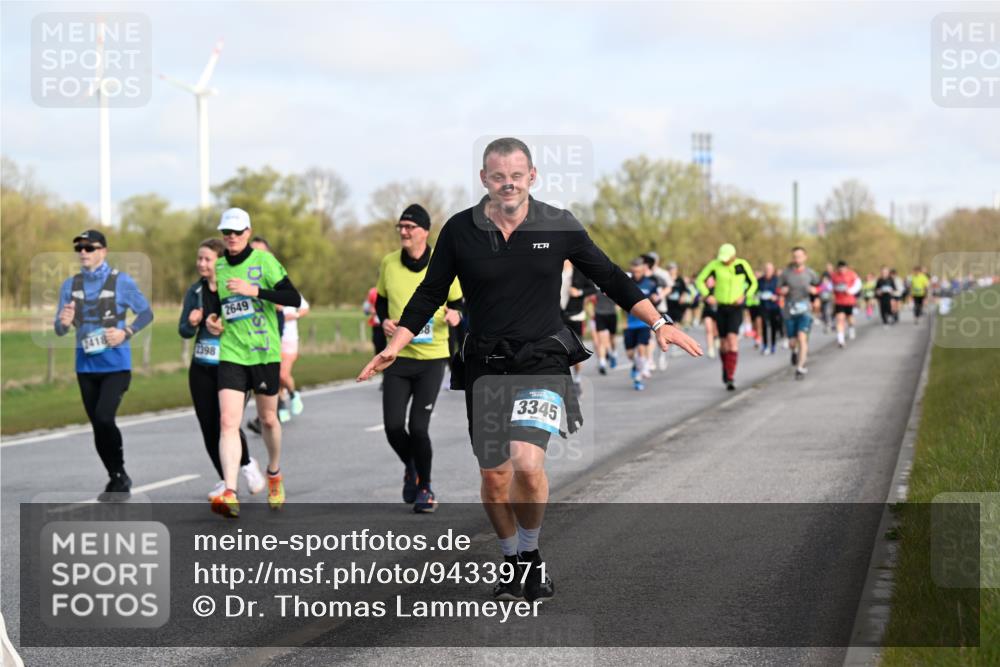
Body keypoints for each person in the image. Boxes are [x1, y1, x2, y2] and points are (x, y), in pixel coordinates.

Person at [357, 138, 702, 603]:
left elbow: (610, 276)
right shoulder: (460, 230)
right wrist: (395, 346)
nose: (508, 184)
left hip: (543, 359)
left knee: (527, 461)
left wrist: (659, 323)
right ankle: (511, 560)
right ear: (484, 178)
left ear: (532, 177)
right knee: (495, 476)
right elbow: (430, 293)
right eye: (499, 176)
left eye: (517, 176)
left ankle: (532, 553)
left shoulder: (558, 224)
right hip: (486, 364)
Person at [206, 208, 301, 517]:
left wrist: (254, 290)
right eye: (227, 232)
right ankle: (230, 491)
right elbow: (217, 304)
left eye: (237, 232)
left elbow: (293, 298)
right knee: (227, 422)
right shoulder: (220, 266)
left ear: (247, 232)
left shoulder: (264, 262)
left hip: (264, 352)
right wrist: (212, 321)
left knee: (268, 419)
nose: (232, 237)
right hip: (232, 352)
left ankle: (274, 472)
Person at [376, 203, 463, 513]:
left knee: (419, 427)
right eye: (400, 226)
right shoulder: (389, 263)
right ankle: (412, 466)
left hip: (432, 357)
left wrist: (456, 315)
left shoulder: (443, 262)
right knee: (393, 427)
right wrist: (385, 321)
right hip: (398, 356)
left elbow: (460, 302)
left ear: (425, 231)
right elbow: (381, 302)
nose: (404, 231)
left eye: (410, 227)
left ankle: (425, 487)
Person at [54, 229, 154, 500]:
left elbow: (146, 313)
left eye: (89, 247)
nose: (83, 252)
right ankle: (117, 477)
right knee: (98, 425)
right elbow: (60, 329)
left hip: (116, 366)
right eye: (79, 248)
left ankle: (119, 474)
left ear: (103, 251)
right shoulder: (70, 285)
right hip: (86, 367)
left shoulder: (122, 281)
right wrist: (63, 323)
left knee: (104, 417)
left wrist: (126, 332)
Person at [178, 238, 264, 500]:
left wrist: (226, 327)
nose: (202, 264)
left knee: (227, 422)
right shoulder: (194, 291)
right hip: (201, 366)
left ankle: (247, 464)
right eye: (199, 258)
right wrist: (192, 323)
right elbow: (183, 330)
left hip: (232, 365)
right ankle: (225, 479)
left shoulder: (233, 288)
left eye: (207, 259)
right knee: (208, 425)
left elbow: (249, 324)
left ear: (220, 261)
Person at [695, 243, 758, 390]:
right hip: (721, 306)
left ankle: (730, 376)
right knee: (723, 343)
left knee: (732, 339)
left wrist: (745, 295)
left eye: (727, 259)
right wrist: (707, 295)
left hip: (736, 307)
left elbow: (753, 283)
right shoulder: (715, 265)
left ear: (733, 256)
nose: (724, 261)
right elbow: (699, 280)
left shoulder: (742, 265)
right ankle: (726, 367)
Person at [777, 247, 820, 379]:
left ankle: (800, 367)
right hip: (790, 310)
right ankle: (794, 351)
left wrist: (815, 293)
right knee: (792, 342)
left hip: (805, 309)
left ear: (805, 257)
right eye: (795, 256)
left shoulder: (811, 273)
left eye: (800, 256)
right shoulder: (786, 274)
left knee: (802, 337)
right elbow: (778, 289)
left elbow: (821, 287)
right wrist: (782, 291)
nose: (797, 259)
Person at [560, 260, 597, 384]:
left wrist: (579, 292)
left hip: (575, 315)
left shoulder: (579, 273)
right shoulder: (554, 271)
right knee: (560, 348)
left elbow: (592, 289)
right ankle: (564, 376)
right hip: (558, 315)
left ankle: (577, 375)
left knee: (575, 348)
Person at [624, 257, 658, 390]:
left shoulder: (650, 283)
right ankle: (637, 365)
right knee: (630, 354)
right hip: (630, 323)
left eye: (639, 271)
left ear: (643, 270)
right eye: (634, 272)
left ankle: (640, 373)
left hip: (644, 323)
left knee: (641, 347)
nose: (636, 274)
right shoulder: (627, 283)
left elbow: (656, 298)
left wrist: (656, 298)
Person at [278, 294, 310, 422]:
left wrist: (295, 315)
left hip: (289, 339)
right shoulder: (264, 291)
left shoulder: (290, 291)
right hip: (273, 339)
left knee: (283, 374)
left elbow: (305, 308)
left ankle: (292, 394)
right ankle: (281, 406)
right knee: (275, 375)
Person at [643, 251, 672, 371]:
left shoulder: (662, 273)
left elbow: (669, 287)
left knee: (661, 335)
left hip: (661, 308)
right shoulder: (644, 273)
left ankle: (662, 356)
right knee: (650, 335)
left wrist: (660, 296)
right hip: (648, 308)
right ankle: (650, 359)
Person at [830, 260, 862, 348]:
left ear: (846, 268)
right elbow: (831, 286)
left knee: (849, 318)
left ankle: (851, 328)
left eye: (843, 268)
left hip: (849, 301)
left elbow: (858, 284)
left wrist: (850, 291)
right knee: (840, 319)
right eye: (840, 268)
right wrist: (832, 292)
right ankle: (841, 340)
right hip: (839, 301)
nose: (841, 270)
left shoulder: (852, 274)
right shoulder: (834, 276)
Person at [757, 262, 783, 355]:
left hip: (774, 306)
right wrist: (758, 295)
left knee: (773, 326)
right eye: (766, 269)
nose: (768, 271)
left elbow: (781, 292)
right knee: (764, 325)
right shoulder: (760, 280)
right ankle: (765, 345)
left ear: (773, 270)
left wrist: (776, 297)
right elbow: (756, 291)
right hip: (763, 306)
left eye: (769, 269)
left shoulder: (777, 280)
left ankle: (773, 345)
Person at [591, 290, 619, 375]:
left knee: (612, 339)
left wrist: (617, 307)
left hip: (611, 314)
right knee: (602, 341)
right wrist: (591, 311)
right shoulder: (596, 288)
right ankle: (602, 363)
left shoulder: (613, 286)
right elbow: (588, 298)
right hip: (599, 315)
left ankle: (613, 353)